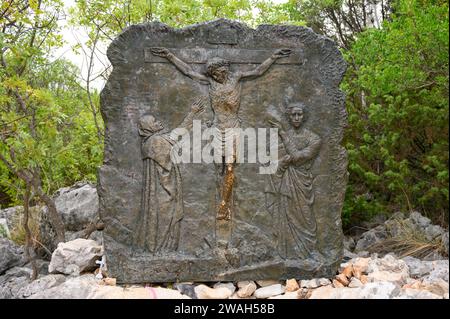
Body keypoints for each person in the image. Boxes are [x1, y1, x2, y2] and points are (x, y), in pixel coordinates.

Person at [150, 47, 291, 220]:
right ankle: (221, 199)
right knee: (218, 167)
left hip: (233, 127)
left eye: (219, 72)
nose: (217, 76)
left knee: (230, 167)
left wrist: (273, 57)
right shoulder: (211, 83)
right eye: (214, 74)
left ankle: (225, 205)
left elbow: (258, 71)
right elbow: (188, 71)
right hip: (216, 128)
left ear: (225, 69)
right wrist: (170, 56)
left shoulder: (237, 78)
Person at [133, 99, 205, 254]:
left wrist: (192, 114)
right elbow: (178, 137)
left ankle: (161, 249)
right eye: (154, 122)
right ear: (148, 128)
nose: (158, 122)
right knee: (164, 217)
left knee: (162, 217)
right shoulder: (155, 142)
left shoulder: (152, 141)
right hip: (164, 191)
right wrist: (192, 114)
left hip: (162, 188)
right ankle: (160, 249)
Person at [268, 102, 322, 260]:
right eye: (293, 115)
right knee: (285, 216)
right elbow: (272, 161)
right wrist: (281, 164)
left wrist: (282, 134)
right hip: (285, 183)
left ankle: (310, 252)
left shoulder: (314, 139)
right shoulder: (281, 138)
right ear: (289, 117)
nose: (297, 117)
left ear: (304, 116)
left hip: (302, 184)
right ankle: (285, 255)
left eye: (300, 114)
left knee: (306, 217)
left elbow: (298, 158)